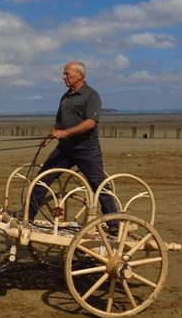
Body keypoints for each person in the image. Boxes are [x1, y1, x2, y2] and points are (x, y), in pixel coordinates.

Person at [28, 61, 118, 232]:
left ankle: (113, 224)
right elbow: (59, 122)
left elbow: (90, 123)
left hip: (86, 149)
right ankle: (27, 215)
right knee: (42, 179)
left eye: (67, 74)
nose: (63, 77)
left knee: (99, 184)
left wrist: (66, 133)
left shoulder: (91, 95)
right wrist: (51, 135)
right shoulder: (66, 96)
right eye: (64, 74)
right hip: (64, 149)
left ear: (80, 75)